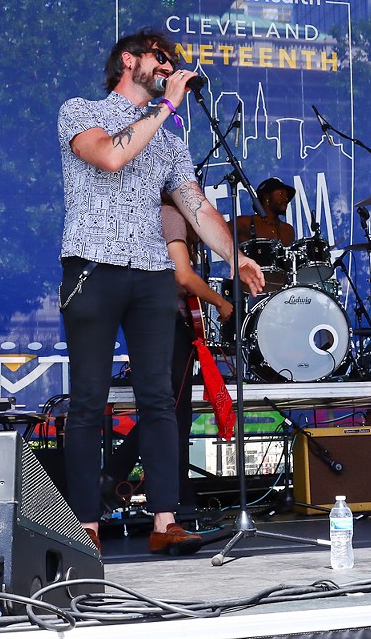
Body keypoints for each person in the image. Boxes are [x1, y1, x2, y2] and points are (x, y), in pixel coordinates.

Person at [58, 27, 263, 554]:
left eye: (172, 61)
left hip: (152, 273)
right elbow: (108, 157)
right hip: (92, 267)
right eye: (160, 57)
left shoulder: (170, 140)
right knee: (88, 400)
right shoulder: (82, 111)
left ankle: (165, 519)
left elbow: (196, 207)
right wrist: (168, 105)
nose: (169, 67)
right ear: (129, 61)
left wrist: (233, 256)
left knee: (159, 398)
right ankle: (85, 525)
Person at [162, 193, 235, 516]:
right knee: (172, 412)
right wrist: (220, 302)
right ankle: (173, 494)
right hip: (170, 327)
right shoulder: (170, 216)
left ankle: (179, 491)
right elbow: (184, 277)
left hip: (164, 323)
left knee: (173, 412)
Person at [235, 177, 296, 246]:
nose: (286, 199)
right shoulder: (244, 223)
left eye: (286, 196)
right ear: (267, 198)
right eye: (281, 193)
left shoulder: (288, 230)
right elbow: (221, 236)